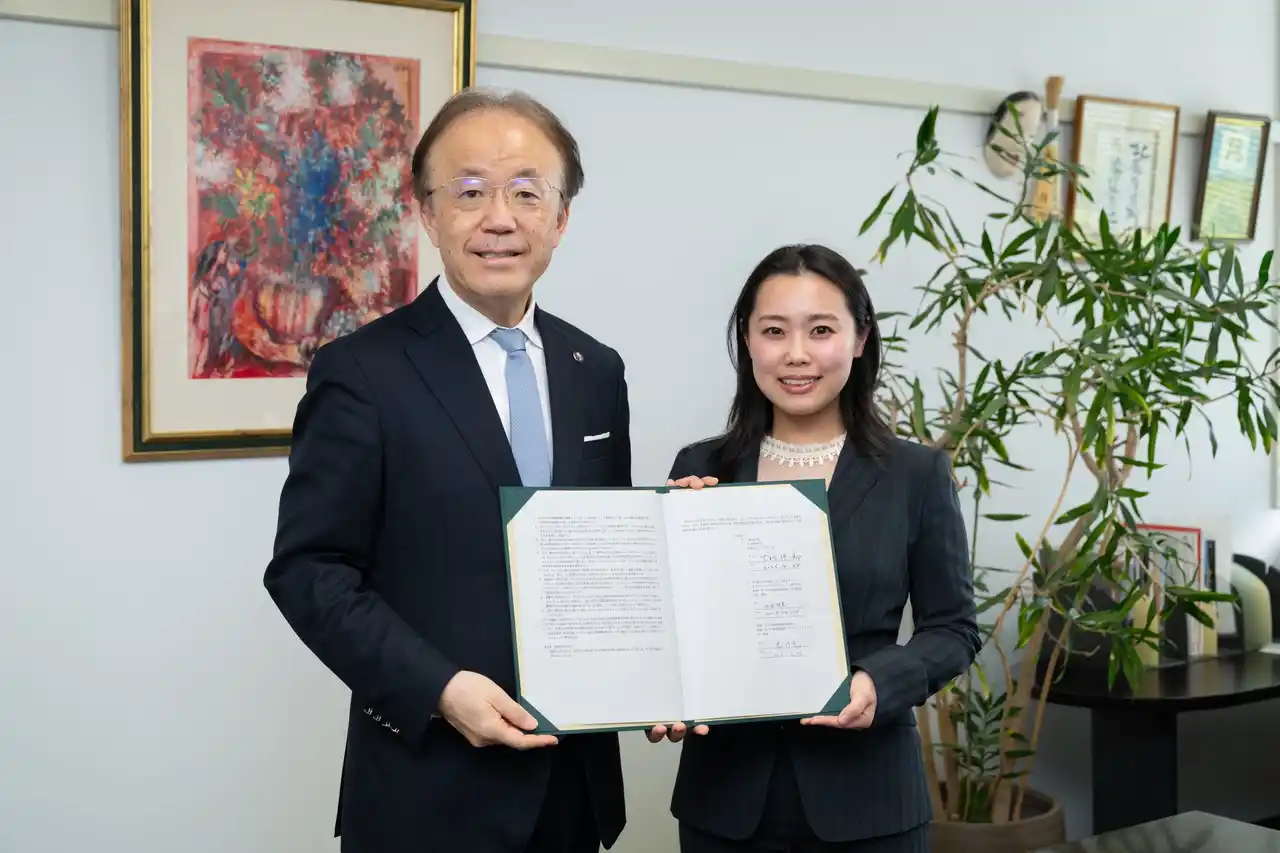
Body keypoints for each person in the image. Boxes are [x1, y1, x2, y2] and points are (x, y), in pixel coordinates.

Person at [263, 88, 631, 853]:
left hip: (572, 788)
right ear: (427, 215)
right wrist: (439, 688)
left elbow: (608, 551)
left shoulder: (595, 368)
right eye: (469, 192)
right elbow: (309, 570)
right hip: (427, 792)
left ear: (561, 218)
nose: (500, 219)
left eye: (526, 192)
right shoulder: (362, 371)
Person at [649, 244, 981, 852]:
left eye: (821, 330)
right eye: (774, 331)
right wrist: (658, 692)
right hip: (724, 802)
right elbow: (668, 629)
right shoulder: (702, 468)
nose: (796, 354)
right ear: (747, 340)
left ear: (860, 338)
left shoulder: (915, 474)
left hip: (870, 803)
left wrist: (877, 683)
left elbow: (954, 630)